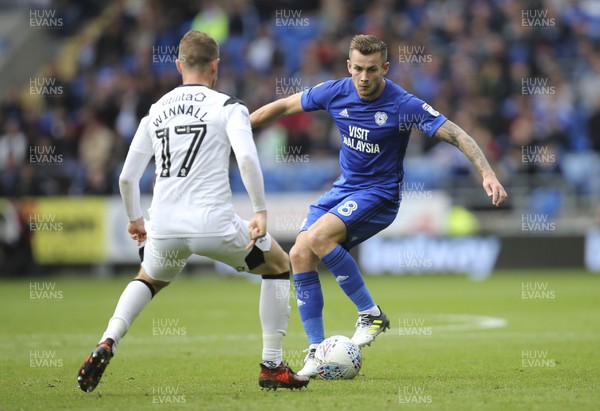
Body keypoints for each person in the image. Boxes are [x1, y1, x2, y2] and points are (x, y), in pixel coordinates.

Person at [249, 34, 508, 377]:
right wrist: (237, 131)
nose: (364, 77)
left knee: (318, 238)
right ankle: (316, 350)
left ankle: (370, 313)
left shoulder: (403, 105)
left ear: (385, 67)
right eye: (358, 68)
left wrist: (487, 174)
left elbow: (458, 134)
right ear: (349, 66)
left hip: (379, 194)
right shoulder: (335, 91)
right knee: (299, 253)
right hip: (343, 189)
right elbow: (282, 107)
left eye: (372, 69)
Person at [77, 30, 309, 392]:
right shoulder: (228, 106)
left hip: (165, 225)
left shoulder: (155, 111)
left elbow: (126, 177)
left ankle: (108, 339)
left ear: (178, 65)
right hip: (213, 224)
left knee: (148, 279)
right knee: (278, 266)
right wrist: (260, 210)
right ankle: (272, 366)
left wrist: (136, 220)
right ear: (216, 65)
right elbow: (247, 156)